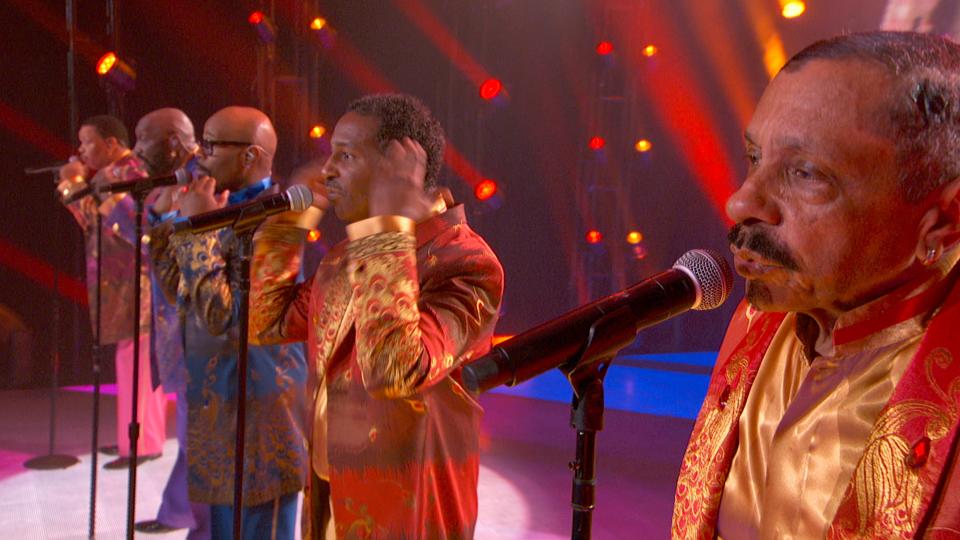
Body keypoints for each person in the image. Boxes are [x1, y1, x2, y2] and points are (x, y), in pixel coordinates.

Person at [672, 31, 960, 538]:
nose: (741, 202)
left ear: (944, 220)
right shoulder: (761, 321)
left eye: (805, 173)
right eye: (755, 158)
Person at [250, 93, 504, 538]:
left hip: (406, 513)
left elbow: (393, 371)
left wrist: (389, 223)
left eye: (345, 155)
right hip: (333, 498)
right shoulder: (347, 256)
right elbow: (265, 322)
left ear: (399, 166)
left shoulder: (465, 261)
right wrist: (290, 225)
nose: (328, 170)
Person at [148, 106, 307, 540]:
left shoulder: (281, 220)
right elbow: (185, 295)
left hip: (260, 410)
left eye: (214, 144)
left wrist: (196, 229)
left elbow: (228, 320)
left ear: (250, 156)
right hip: (218, 401)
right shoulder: (218, 204)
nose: (200, 153)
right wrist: (165, 222)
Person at [56, 115, 167, 469]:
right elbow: (93, 217)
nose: (81, 150)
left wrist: (71, 184)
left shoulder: (124, 173)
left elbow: (109, 217)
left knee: (138, 358)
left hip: (137, 280)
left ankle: (142, 443)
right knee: (132, 357)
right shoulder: (113, 174)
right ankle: (131, 438)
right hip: (124, 281)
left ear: (111, 144)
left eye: (87, 142)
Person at [126, 108, 211, 537]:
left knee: (197, 438)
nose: (136, 149)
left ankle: (182, 513)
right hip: (177, 334)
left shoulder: (203, 184)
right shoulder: (171, 185)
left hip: (203, 335)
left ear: (174, 143)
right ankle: (179, 510)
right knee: (191, 436)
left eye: (144, 139)